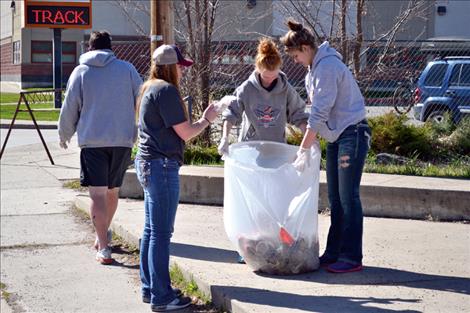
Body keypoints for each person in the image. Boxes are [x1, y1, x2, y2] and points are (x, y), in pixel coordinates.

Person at [280, 20, 371, 274]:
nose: (296, 60)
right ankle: (334, 251)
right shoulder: (314, 69)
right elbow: (318, 116)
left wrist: (302, 150)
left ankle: (352, 256)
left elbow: (319, 113)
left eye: (296, 55)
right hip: (336, 137)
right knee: (335, 199)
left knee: (348, 196)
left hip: (352, 133)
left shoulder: (327, 67)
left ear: (307, 47)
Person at [135, 44, 218, 312]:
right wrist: (207, 119)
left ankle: (151, 288)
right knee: (161, 233)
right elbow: (185, 133)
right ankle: (162, 296)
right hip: (161, 166)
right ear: (170, 66)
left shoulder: (148, 87)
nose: (183, 71)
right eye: (180, 66)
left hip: (148, 163)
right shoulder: (166, 90)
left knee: (151, 231)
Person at [219, 37, 309, 263]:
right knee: (253, 203)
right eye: (266, 76)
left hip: (276, 153)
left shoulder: (285, 87)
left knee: (276, 202)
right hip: (253, 155)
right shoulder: (247, 88)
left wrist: (309, 141)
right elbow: (232, 113)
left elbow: (298, 113)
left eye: (274, 75)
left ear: (280, 69)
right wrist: (224, 138)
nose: (270, 80)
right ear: (258, 69)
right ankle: (249, 247)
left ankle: (274, 243)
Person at [58, 30, 142, 265]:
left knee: (96, 193)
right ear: (111, 48)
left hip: (93, 142)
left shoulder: (81, 72)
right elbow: (141, 98)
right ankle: (102, 235)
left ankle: (103, 246)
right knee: (112, 192)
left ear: (89, 48)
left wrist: (64, 134)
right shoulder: (127, 70)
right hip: (121, 140)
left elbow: (70, 106)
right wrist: (138, 129)